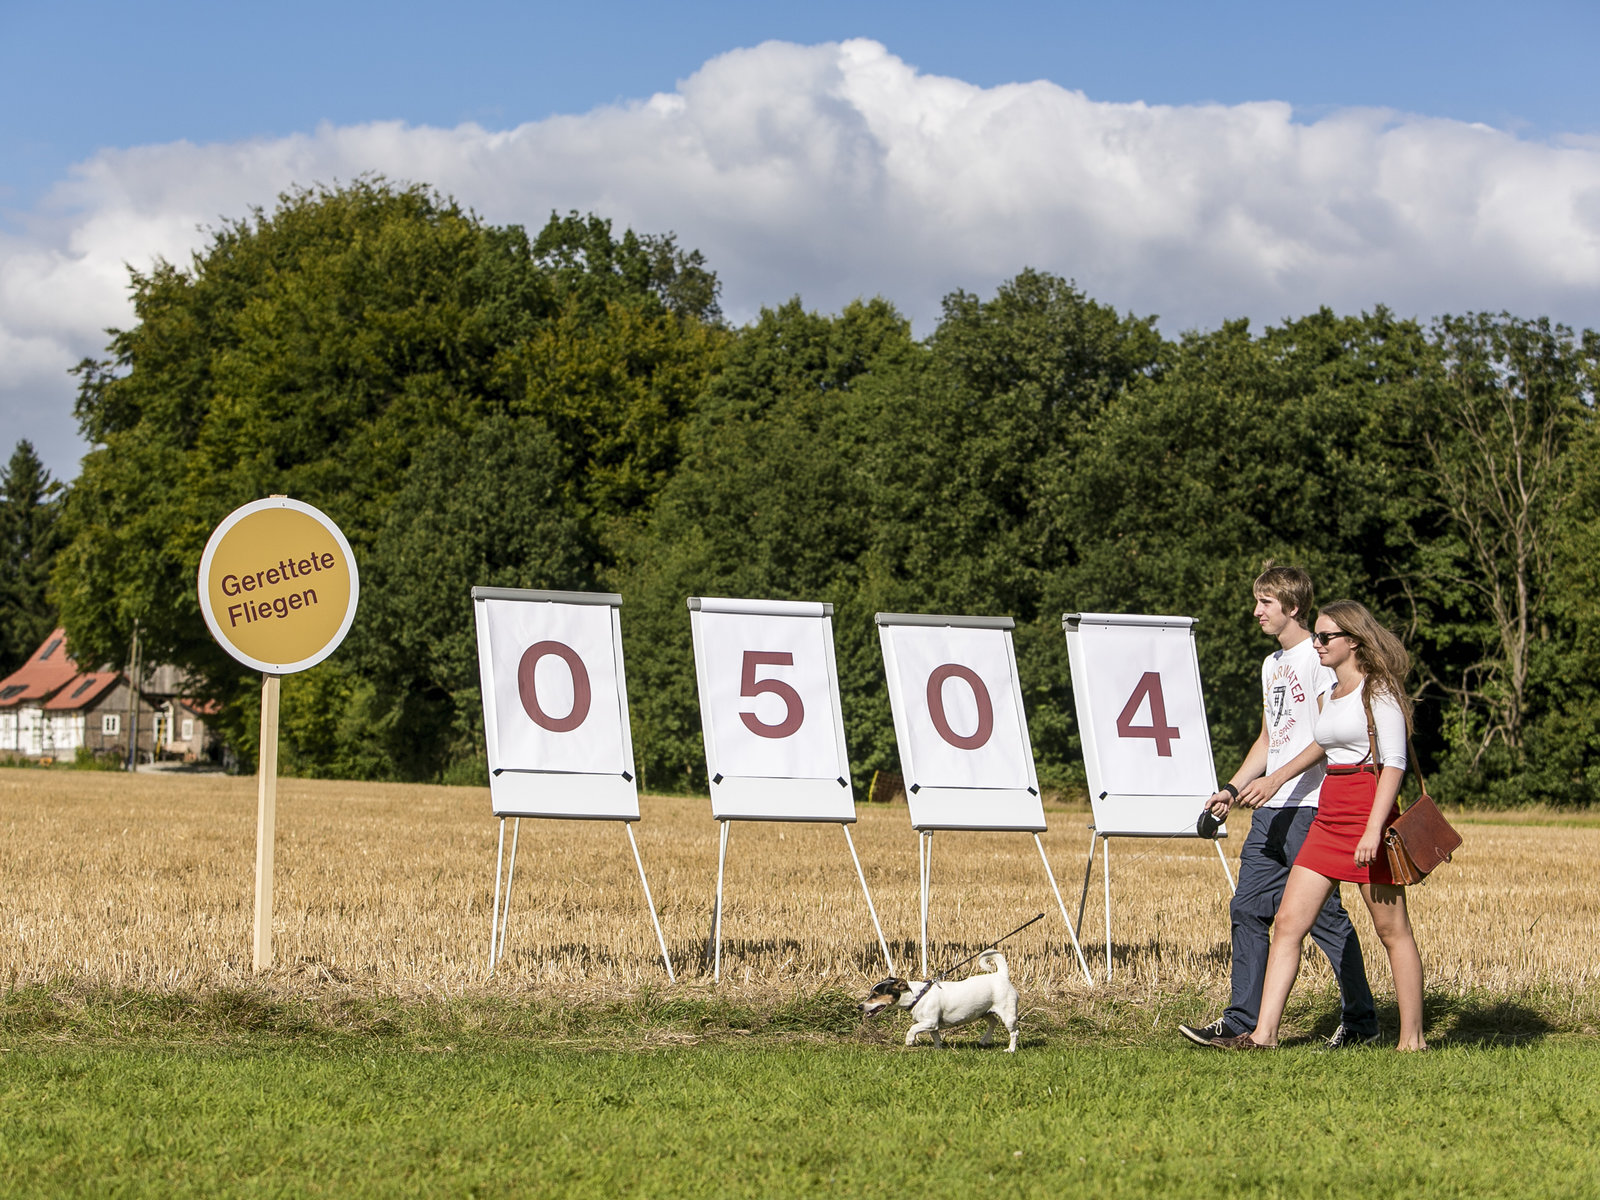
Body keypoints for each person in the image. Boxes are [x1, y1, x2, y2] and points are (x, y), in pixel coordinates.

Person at [1178, 567, 1379, 1050]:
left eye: (1266, 602)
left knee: (1324, 919)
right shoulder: (1271, 665)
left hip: (1311, 807)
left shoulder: (1319, 658)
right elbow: (1270, 738)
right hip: (1272, 810)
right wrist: (1232, 788)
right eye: (1257, 601)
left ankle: (1361, 1021)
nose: (1256, 611)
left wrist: (1277, 779)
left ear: (1292, 606)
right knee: (1247, 908)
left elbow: (1326, 737)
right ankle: (1240, 1022)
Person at [1214, 600, 1427, 1051]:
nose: (1318, 643)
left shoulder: (1379, 690)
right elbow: (1320, 745)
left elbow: (1394, 764)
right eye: (1317, 636)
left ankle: (1412, 1039)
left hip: (1368, 811)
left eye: (1326, 637)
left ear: (1354, 641)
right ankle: (1263, 1036)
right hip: (1329, 815)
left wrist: (1373, 831)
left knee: (1392, 932)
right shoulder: (1333, 691)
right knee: (1289, 923)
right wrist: (1274, 778)